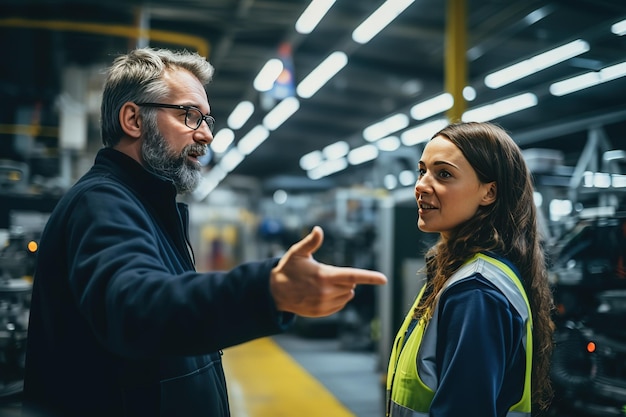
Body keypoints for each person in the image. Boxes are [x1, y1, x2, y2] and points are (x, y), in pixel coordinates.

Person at [22, 47, 387, 417]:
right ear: (133, 119)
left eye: (207, 120)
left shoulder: (147, 206)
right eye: (189, 116)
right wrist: (266, 289)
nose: (206, 136)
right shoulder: (101, 202)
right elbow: (137, 308)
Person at [385, 122, 554, 417]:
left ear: (489, 193)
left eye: (444, 174)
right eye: (422, 170)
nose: (421, 185)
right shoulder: (459, 272)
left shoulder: (476, 292)